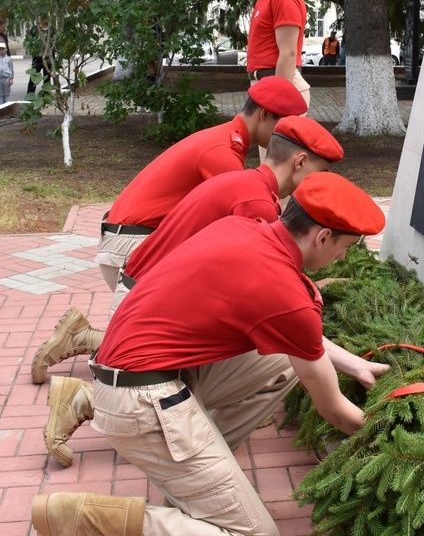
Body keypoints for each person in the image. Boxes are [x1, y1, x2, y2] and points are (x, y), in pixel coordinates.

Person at [30, 173, 387, 536]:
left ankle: (200, 480)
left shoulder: (245, 229)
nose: (343, 258)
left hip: (135, 372)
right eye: (345, 247)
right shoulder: (286, 291)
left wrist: (354, 365)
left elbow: (300, 341)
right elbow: (336, 412)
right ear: (323, 237)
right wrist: (389, 434)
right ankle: (83, 517)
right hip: (142, 401)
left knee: (286, 364)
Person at [38, 116, 345, 466]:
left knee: (199, 372)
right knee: (164, 389)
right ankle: (89, 401)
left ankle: (81, 343)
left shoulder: (247, 181)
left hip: (142, 286)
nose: (323, 187)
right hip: (148, 295)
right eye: (321, 174)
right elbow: (265, 292)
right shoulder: (256, 204)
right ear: (300, 162)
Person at [29, 75, 307, 386]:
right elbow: (256, 233)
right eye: (284, 126)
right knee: (177, 331)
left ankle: (82, 336)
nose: (288, 136)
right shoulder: (222, 154)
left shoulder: (224, 139)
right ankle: (84, 395)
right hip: (132, 244)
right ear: (264, 115)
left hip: (130, 238)